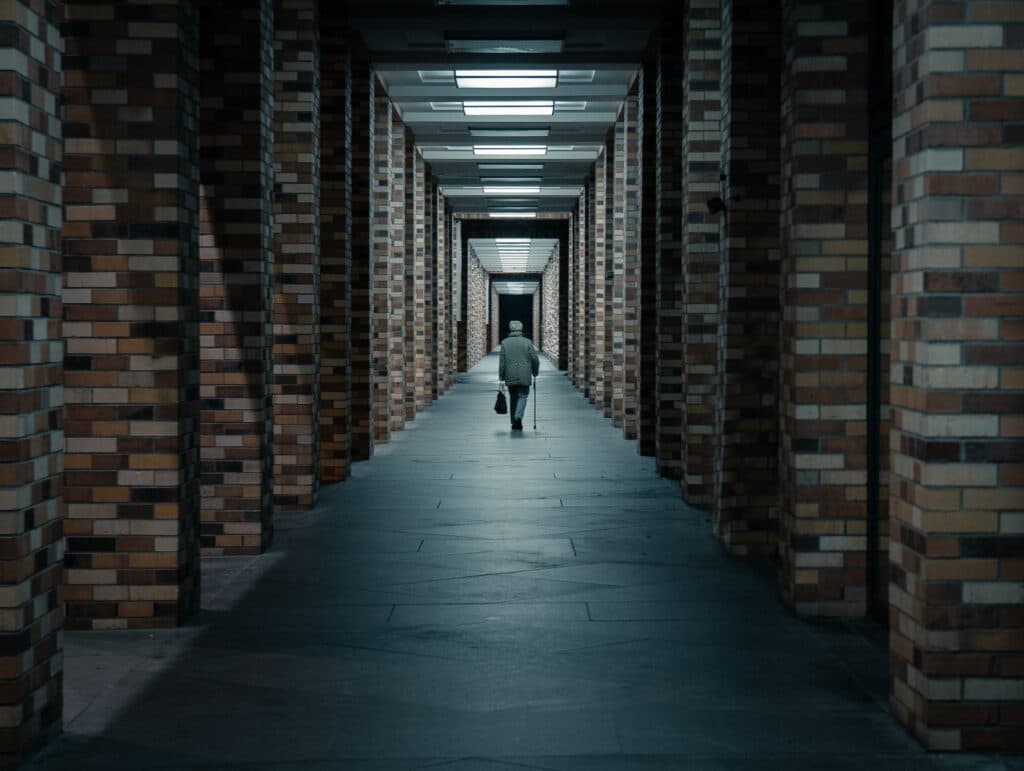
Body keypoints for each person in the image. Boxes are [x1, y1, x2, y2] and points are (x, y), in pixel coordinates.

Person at [498, 319, 539, 431]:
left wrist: (501, 377)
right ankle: (518, 417)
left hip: (510, 375)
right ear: (521, 329)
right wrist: (535, 372)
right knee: (523, 396)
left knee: (513, 397)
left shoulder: (505, 343)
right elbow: (535, 359)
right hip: (525, 375)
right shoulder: (528, 342)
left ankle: (513, 422)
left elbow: (502, 362)